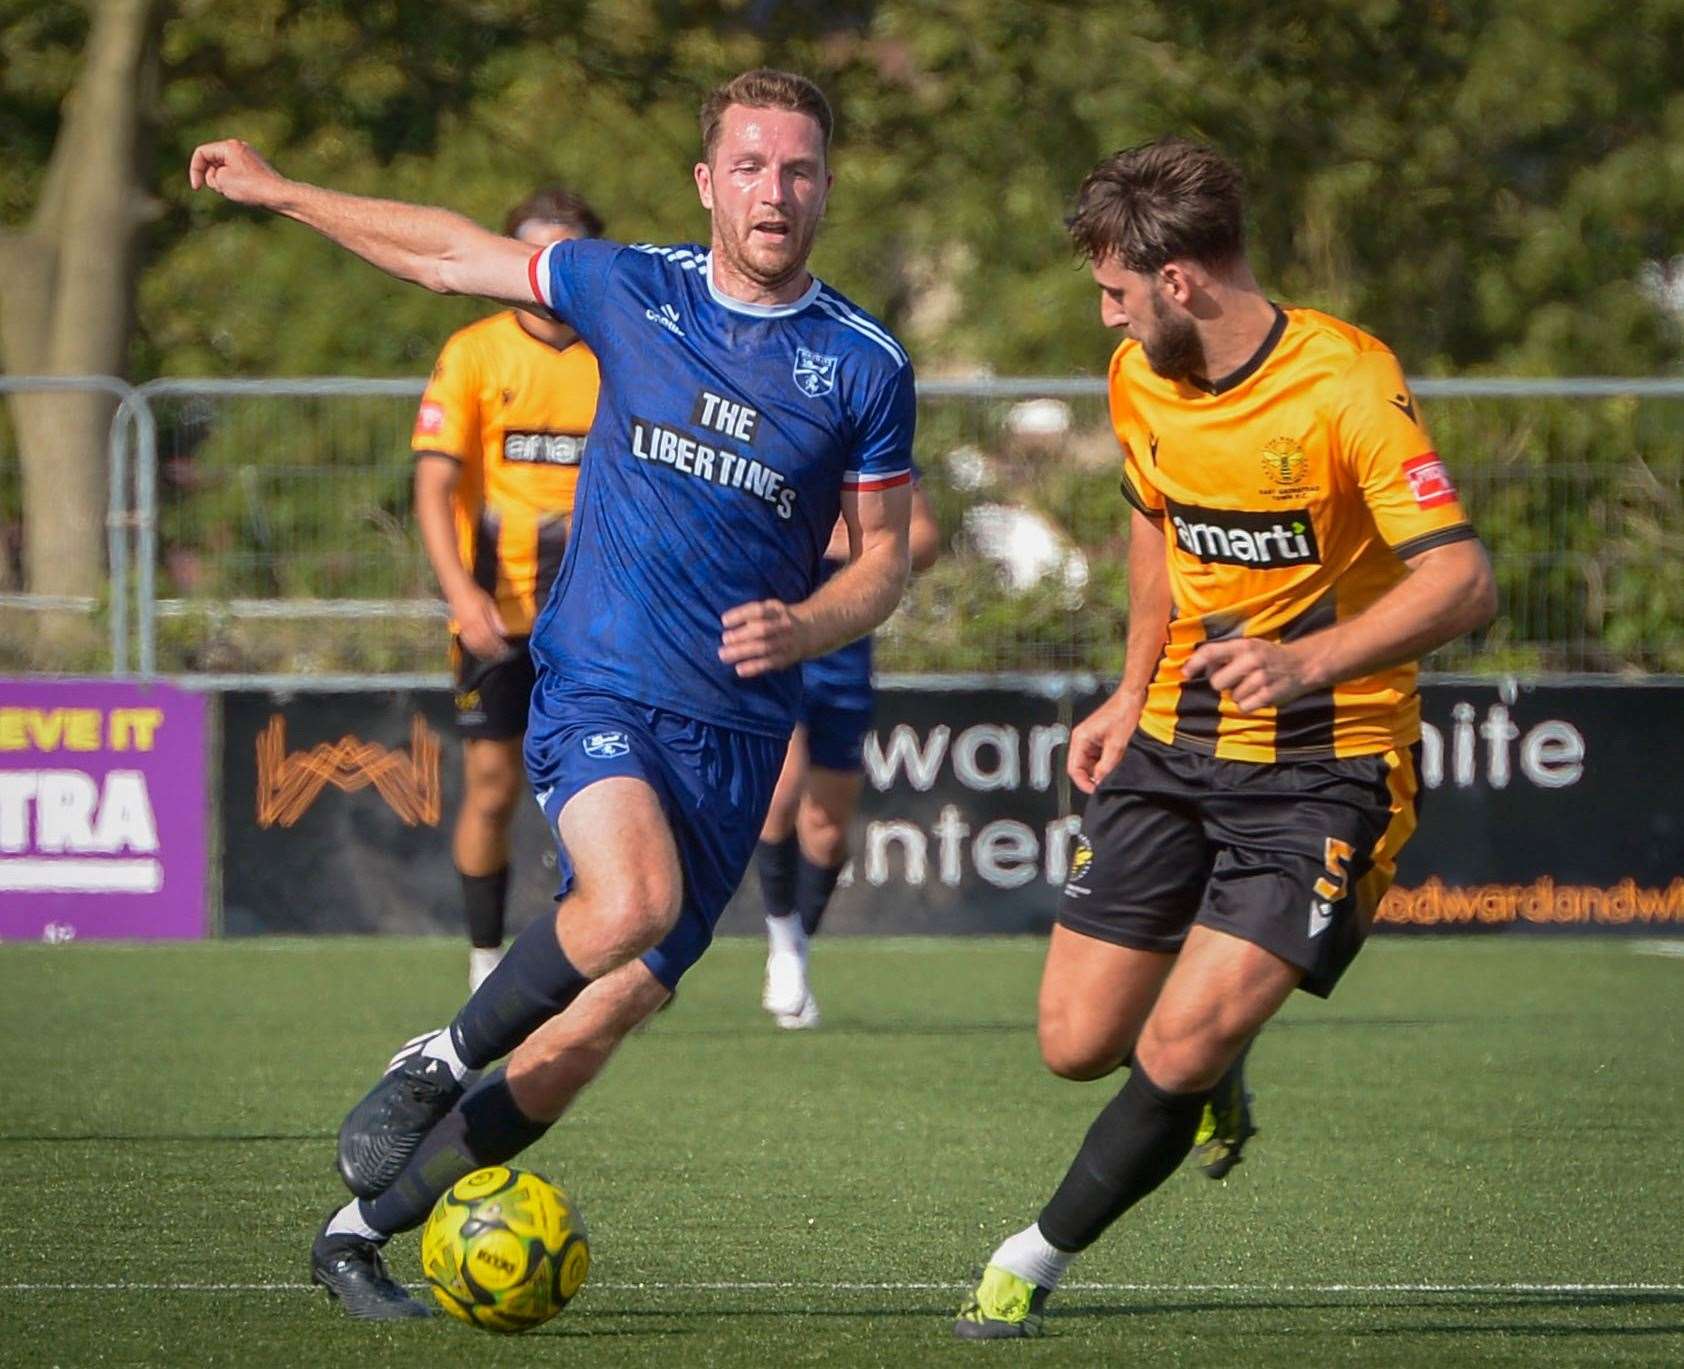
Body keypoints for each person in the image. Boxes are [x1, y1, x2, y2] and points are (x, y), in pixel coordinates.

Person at [190, 67, 918, 1321]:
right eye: (749, 166)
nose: (774, 192)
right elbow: (446, 256)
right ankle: (436, 1055)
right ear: (706, 183)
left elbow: (888, 562)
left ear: (825, 187)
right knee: (628, 902)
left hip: (736, 737)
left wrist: (811, 616)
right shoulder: (627, 286)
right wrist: (272, 189)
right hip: (601, 681)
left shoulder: (862, 365)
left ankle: (356, 1233)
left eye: (797, 169)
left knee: (587, 1030)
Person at [954, 137, 1496, 1339]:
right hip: (1175, 735)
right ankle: (1213, 1058)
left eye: (1113, 291)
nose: (1105, 314)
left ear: (1179, 280)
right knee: (1073, 1042)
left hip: (1329, 762)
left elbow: (1462, 582)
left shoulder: (1347, 383)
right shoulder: (1138, 377)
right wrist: (1124, 688)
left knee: (1182, 1035)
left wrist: (1306, 659)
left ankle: (1032, 1258)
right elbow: (1158, 527)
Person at [411, 187, 606, 992]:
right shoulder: (474, 352)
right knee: (492, 787)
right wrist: (462, 594)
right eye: (535, 255)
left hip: (598, 617)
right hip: (497, 614)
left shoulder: (615, 351)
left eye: (568, 255)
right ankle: (485, 960)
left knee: (601, 786)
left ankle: (597, 950)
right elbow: (431, 485)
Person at [757, 487, 940, 1028]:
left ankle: (797, 948)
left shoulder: (872, 449)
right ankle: (780, 942)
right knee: (780, 791)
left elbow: (923, 539)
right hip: (774, 644)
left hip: (842, 657)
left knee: (829, 829)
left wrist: (861, 542)